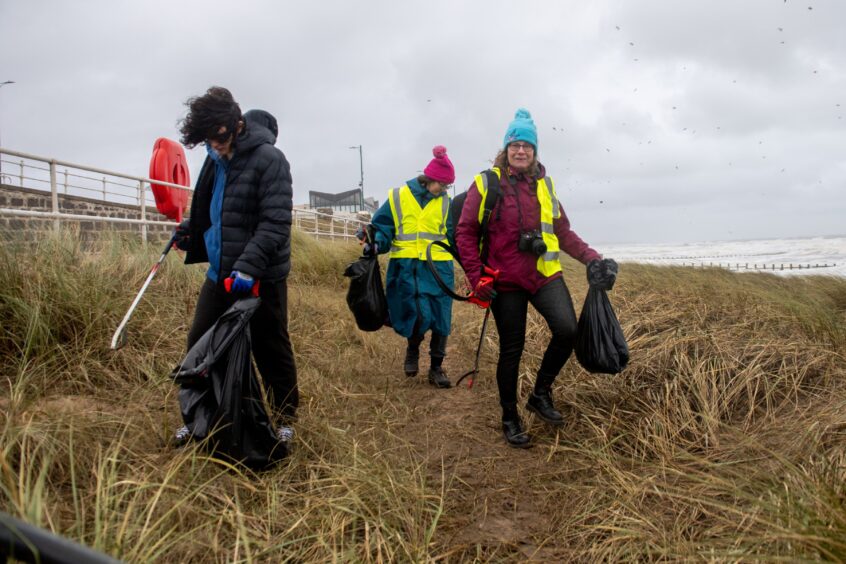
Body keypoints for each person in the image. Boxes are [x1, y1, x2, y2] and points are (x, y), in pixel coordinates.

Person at [456, 108, 616, 448]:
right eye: (515, 144)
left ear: (535, 151)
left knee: (568, 330)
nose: (521, 150)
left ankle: (540, 393)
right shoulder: (486, 184)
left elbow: (563, 232)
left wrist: (593, 258)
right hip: (504, 280)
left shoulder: (546, 185)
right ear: (505, 149)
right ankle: (510, 416)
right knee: (512, 350)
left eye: (527, 145)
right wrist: (476, 278)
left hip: (544, 275)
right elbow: (465, 233)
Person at [171, 87, 298, 447]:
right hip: (220, 274)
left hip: (261, 276)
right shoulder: (214, 156)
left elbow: (274, 223)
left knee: (270, 346)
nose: (215, 146)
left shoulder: (270, 159)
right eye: (207, 141)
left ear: (236, 125)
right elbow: (212, 208)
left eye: (219, 138)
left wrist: (248, 267)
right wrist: (190, 231)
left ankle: (285, 418)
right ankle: (199, 418)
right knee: (199, 344)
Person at [357, 146, 457, 389]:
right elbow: (382, 227)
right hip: (407, 268)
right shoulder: (398, 197)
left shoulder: (447, 204)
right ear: (429, 179)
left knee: (441, 317)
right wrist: (377, 243)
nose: (443, 190)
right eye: (441, 185)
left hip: (439, 269)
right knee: (417, 313)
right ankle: (412, 350)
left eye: (447, 187)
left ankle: (436, 367)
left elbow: (457, 237)